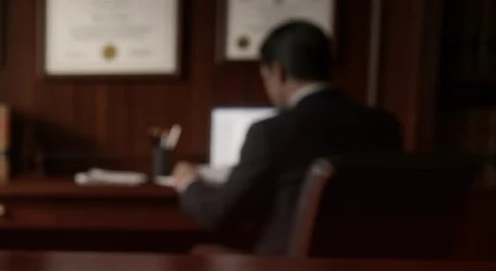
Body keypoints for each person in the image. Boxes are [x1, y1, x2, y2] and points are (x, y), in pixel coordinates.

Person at [171, 20, 403, 256]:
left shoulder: (271, 132)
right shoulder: (385, 126)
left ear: (278, 72)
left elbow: (217, 215)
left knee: (200, 254)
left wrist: (188, 182)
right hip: (369, 269)